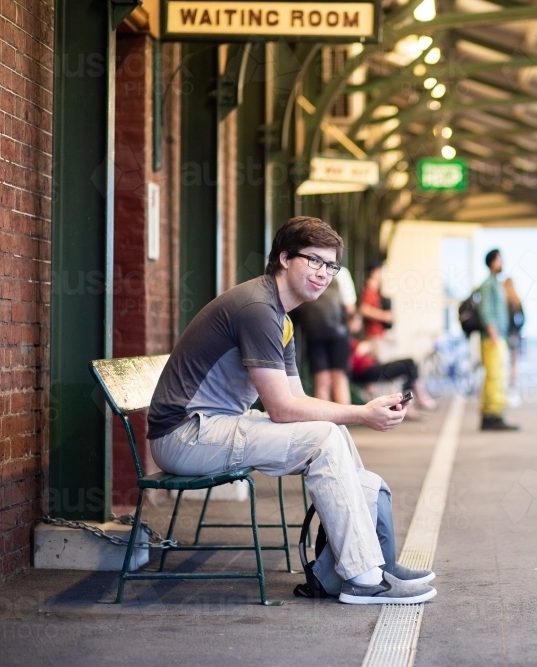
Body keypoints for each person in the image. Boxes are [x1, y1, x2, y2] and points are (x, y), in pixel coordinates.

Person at [146, 217, 436, 605]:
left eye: (331, 266)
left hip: (212, 428)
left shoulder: (280, 317)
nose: (323, 273)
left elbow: (300, 401)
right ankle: (363, 576)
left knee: (330, 430)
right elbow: (282, 409)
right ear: (284, 258)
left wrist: (361, 412)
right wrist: (362, 413)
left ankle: (375, 562)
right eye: (314, 260)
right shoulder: (258, 309)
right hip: (184, 436)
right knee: (325, 435)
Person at [349, 315, 437, 413]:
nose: (359, 324)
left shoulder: (353, 339)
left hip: (372, 367)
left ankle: (411, 401)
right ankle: (419, 398)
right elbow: (349, 363)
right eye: (357, 321)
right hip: (365, 371)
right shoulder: (345, 340)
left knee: (409, 364)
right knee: (408, 363)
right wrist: (360, 350)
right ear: (349, 322)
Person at [294, 267, 352, 404]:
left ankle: (324, 423)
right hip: (339, 334)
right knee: (339, 379)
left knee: (321, 381)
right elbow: (350, 308)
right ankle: (343, 423)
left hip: (314, 334)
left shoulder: (308, 271)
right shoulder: (341, 273)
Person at [477, 250, 518, 431]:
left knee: (495, 377)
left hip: (497, 337)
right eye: (500, 259)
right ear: (493, 262)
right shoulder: (489, 285)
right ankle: (494, 416)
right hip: (494, 338)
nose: (502, 263)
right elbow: (486, 311)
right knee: (496, 377)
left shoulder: (495, 284)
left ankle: (490, 415)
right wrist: (493, 334)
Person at [358, 260, 393, 342]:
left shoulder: (376, 290)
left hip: (378, 334)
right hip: (372, 334)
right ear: (374, 272)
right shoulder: (369, 290)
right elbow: (364, 309)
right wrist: (384, 316)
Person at [502, 277, 524, 405]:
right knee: (514, 364)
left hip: (503, 335)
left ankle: (503, 388)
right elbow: (523, 319)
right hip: (514, 335)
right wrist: (517, 329)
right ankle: (512, 388)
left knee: (503, 363)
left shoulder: (503, 300)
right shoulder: (516, 300)